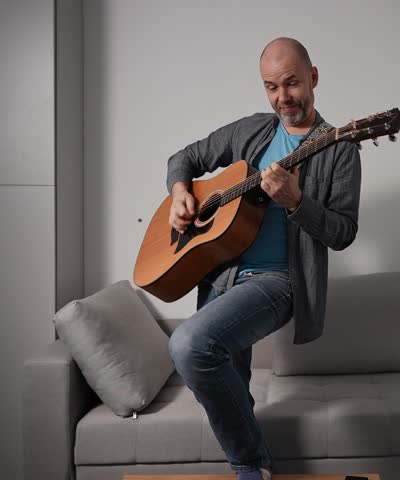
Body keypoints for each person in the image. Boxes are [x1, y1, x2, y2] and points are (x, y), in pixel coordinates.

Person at [165, 37, 362, 480]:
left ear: (313, 77)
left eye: (291, 83)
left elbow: (344, 232)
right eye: (271, 87)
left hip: (277, 281)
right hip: (219, 274)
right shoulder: (251, 130)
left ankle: (252, 465)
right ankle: (250, 466)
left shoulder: (341, 148)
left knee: (189, 344)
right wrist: (181, 193)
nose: (282, 97)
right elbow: (185, 158)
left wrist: (297, 202)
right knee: (229, 381)